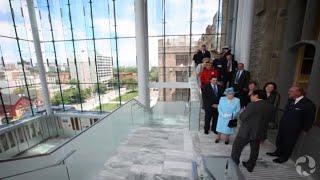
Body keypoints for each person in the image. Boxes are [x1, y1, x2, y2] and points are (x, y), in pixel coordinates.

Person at [266, 86, 316, 163]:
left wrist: (306, 129)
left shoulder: (308, 104)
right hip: (283, 125)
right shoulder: (290, 100)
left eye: (291, 91)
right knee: (280, 140)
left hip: (294, 128)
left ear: (299, 92)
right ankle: (278, 152)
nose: (288, 92)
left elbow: (310, 118)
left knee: (288, 143)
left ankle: (284, 157)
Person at [231, 90, 275, 172]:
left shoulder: (252, 105)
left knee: (237, 148)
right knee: (255, 150)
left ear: (256, 96)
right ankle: (250, 166)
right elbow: (271, 121)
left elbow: (243, 117)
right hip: (259, 132)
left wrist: (242, 112)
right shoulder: (270, 106)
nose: (250, 97)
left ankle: (234, 164)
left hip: (246, 132)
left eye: (251, 95)